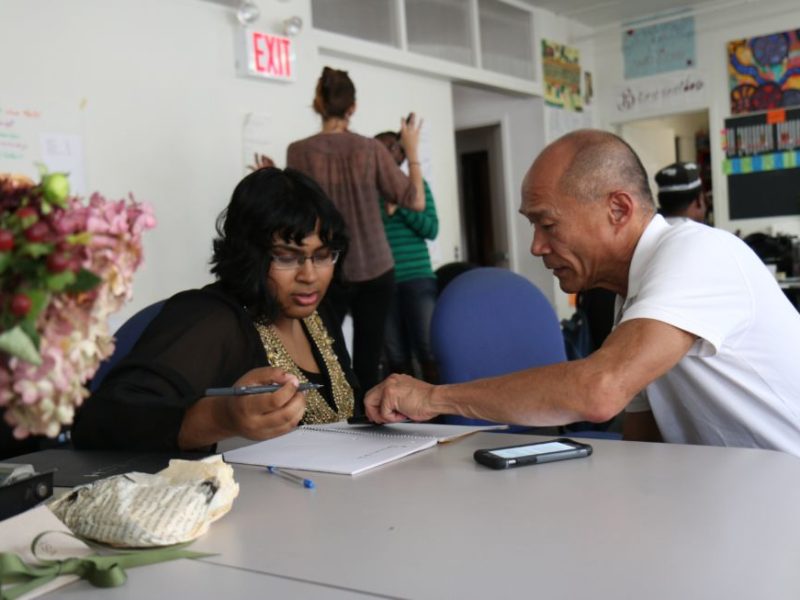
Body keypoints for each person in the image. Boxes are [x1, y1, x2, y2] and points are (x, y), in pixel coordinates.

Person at [365, 129, 800, 457]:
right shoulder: (631, 296)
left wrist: (433, 397)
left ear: (618, 209)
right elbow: (642, 441)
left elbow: (598, 390)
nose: (536, 246)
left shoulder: (696, 253)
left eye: (548, 224)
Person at [72, 167, 360, 452]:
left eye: (322, 256)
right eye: (287, 258)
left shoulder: (315, 313)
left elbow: (344, 416)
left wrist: (383, 405)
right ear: (251, 255)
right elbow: (101, 420)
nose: (309, 275)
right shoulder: (211, 319)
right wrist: (219, 417)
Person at [286, 66, 425, 391]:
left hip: (324, 268)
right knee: (369, 360)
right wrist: (412, 150)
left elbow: (295, 210)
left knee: (328, 357)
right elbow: (415, 200)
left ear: (318, 103)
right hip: (376, 267)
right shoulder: (370, 149)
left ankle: (339, 425)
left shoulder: (299, 151)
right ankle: (368, 426)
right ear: (353, 108)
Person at [375, 129, 439, 383]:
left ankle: (439, 411)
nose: (385, 153)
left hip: (418, 279)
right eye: (378, 148)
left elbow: (431, 229)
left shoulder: (417, 186)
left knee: (428, 350)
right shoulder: (370, 192)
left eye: (390, 147)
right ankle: (404, 414)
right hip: (384, 281)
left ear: (402, 153)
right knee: (395, 355)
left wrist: (402, 206)